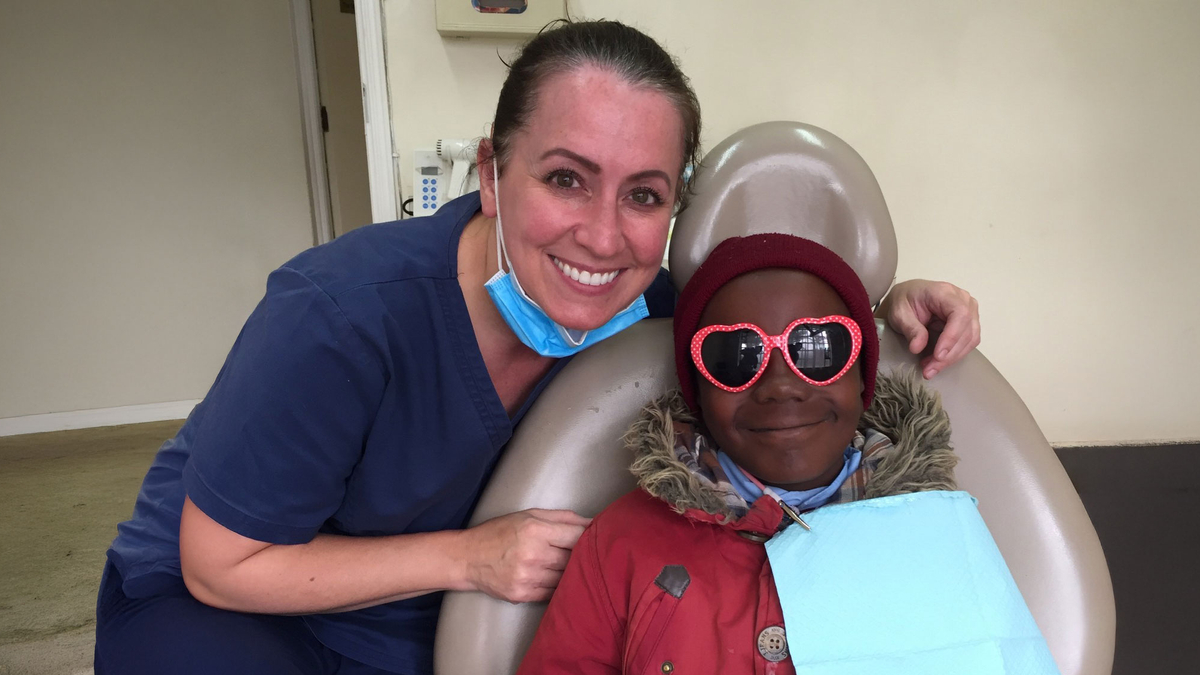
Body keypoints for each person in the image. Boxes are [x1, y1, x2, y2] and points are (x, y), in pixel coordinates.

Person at [94, 19, 982, 675]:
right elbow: (222, 563)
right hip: (236, 610)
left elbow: (770, 319)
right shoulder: (338, 317)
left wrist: (883, 304)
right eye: (566, 179)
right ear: (490, 173)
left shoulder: (651, 312)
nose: (602, 237)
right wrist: (469, 554)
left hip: (423, 626)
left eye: (643, 196)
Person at [516, 233, 960, 673]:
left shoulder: (936, 532)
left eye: (819, 347)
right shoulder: (621, 543)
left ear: (863, 376)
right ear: (698, 394)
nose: (781, 386)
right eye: (735, 356)